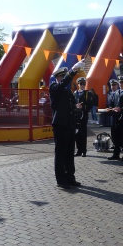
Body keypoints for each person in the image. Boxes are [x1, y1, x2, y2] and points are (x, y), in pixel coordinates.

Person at [49, 60, 85, 189]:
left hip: (69, 125)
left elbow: (69, 107)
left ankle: (70, 177)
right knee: (60, 154)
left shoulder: (67, 91)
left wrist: (76, 108)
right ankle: (61, 179)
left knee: (70, 153)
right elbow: (63, 83)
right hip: (60, 125)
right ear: (58, 77)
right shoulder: (54, 87)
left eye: (65, 76)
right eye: (62, 76)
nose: (65, 79)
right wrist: (73, 70)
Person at [74, 77, 93, 157]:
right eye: (81, 84)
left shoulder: (88, 93)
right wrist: (75, 106)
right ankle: (78, 150)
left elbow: (90, 104)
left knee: (83, 133)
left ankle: (84, 151)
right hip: (76, 116)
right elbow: (72, 103)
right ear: (78, 84)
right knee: (77, 134)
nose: (82, 85)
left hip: (83, 115)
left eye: (83, 84)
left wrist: (83, 107)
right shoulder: (75, 93)